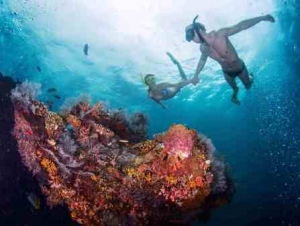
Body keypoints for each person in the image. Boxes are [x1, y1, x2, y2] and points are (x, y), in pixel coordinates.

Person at [185, 14, 275, 105]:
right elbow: (202, 60)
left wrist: (262, 18)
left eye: (190, 35)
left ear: (199, 29)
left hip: (240, 69)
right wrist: (195, 75)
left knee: (248, 86)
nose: (191, 39)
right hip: (227, 73)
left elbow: (241, 26)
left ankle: (250, 77)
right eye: (188, 37)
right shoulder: (203, 48)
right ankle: (235, 93)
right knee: (235, 88)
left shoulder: (220, 34)